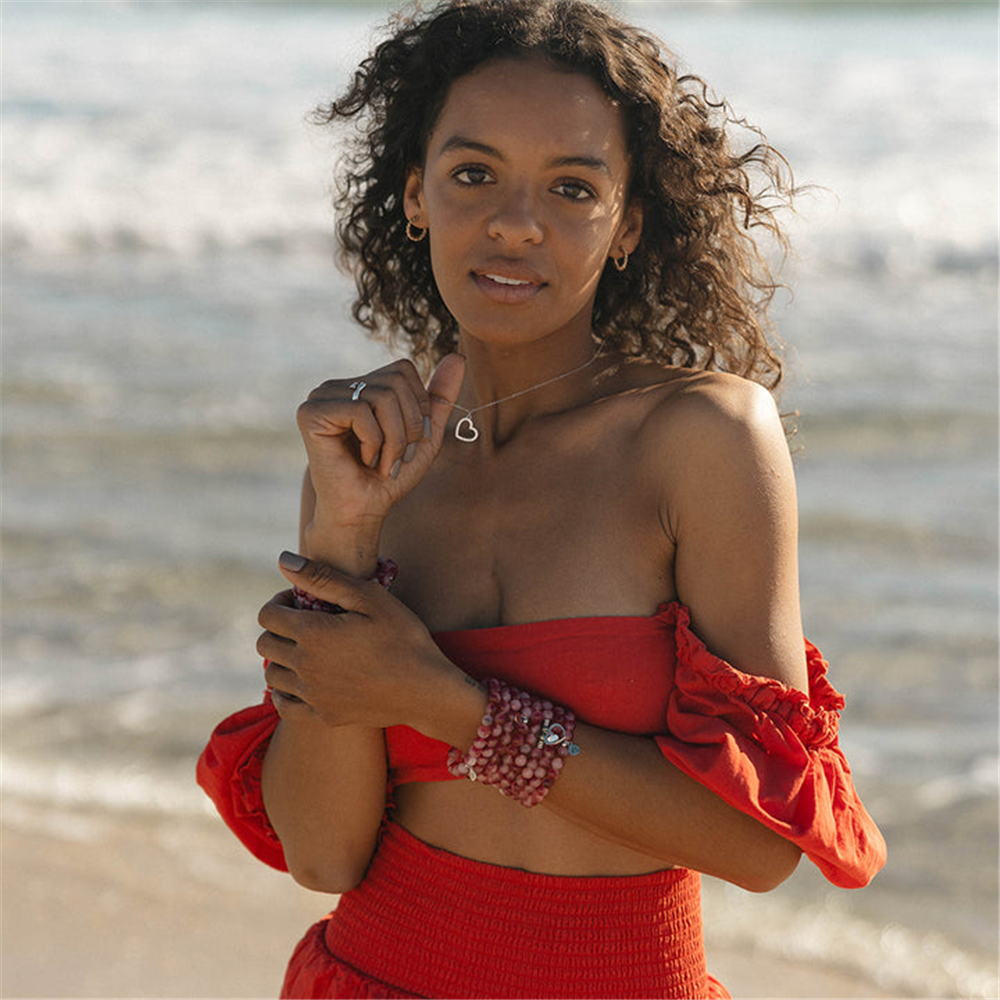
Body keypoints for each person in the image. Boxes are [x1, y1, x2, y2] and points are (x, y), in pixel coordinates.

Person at [198, 2, 886, 997]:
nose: (516, 222)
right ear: (415, 195)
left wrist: (443, 702)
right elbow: (323, 854)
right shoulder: (372, 458)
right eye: (473, 174)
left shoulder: (700, 439)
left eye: (572, 187)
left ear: (628, 224)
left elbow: (757, 845)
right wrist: (340, 539)